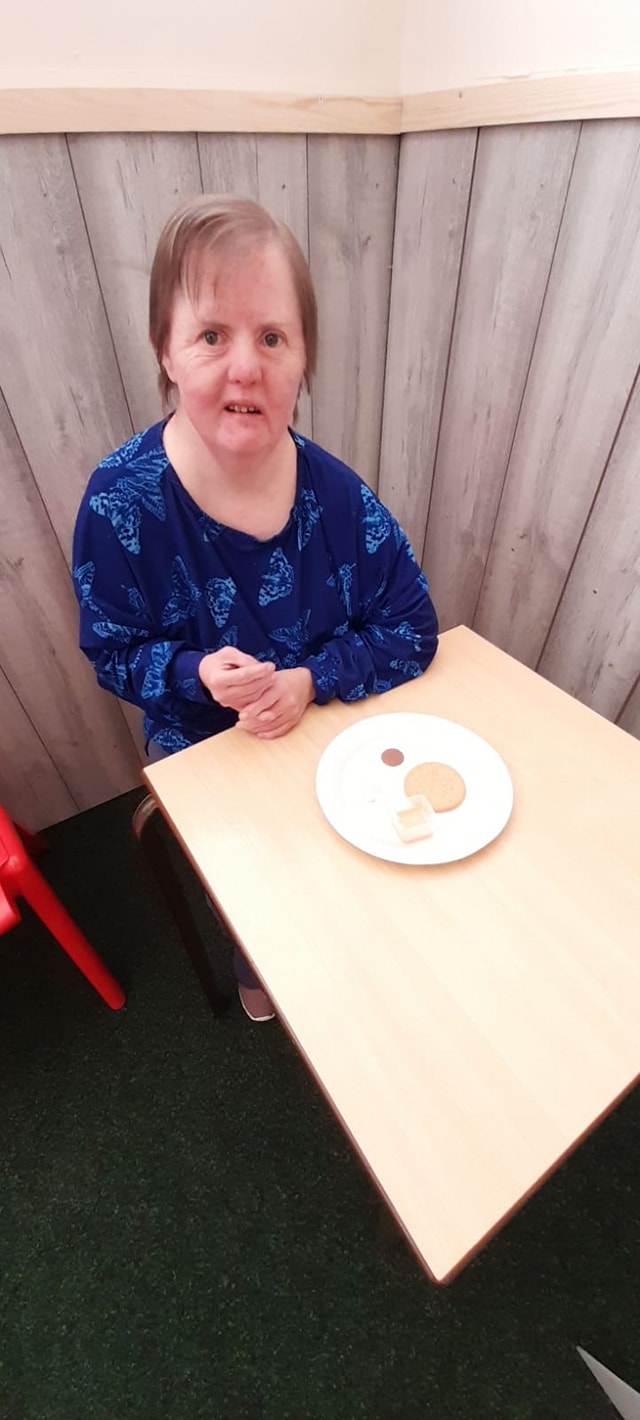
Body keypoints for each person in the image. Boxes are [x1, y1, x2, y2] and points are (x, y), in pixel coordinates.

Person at [73, 195, 439, 1022]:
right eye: (212, 335)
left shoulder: (338, 496)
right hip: (207, 751)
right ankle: (256, 962)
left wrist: (313, 679)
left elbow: (413, 628)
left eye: (273, 337)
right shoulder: (118, 505)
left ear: (303, 359)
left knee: (368, 882)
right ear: (165, 351)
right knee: (261, 903)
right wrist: (195, 672)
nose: (246, 367)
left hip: (333, 730)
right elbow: (113, 651)